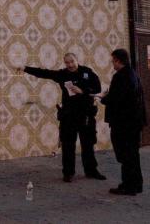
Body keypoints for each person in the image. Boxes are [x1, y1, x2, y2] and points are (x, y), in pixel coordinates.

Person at [16, 53, 106, 182]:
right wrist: (25, 68)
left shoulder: (87, 72)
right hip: (68, 115)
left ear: (77, 60)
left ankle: (91, 171)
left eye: (72, 61)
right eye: (67, 62)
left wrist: (82, 91)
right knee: (68, 145)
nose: (69, 64)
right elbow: (45, 73)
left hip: (86, 114)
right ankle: (68, 173)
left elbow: (97, 89)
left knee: (88, 144)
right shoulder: (63, 74)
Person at [99, 48, 146, 195]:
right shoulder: (133, 74)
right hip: (134, 122)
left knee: (126, 155)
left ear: (118, 60)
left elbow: (117, 99)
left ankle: (129, 186)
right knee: (132, 155)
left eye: (113, 60)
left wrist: (102, 97)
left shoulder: (121, 76)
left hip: (124, 123)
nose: (112, 63)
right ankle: (136, 184)